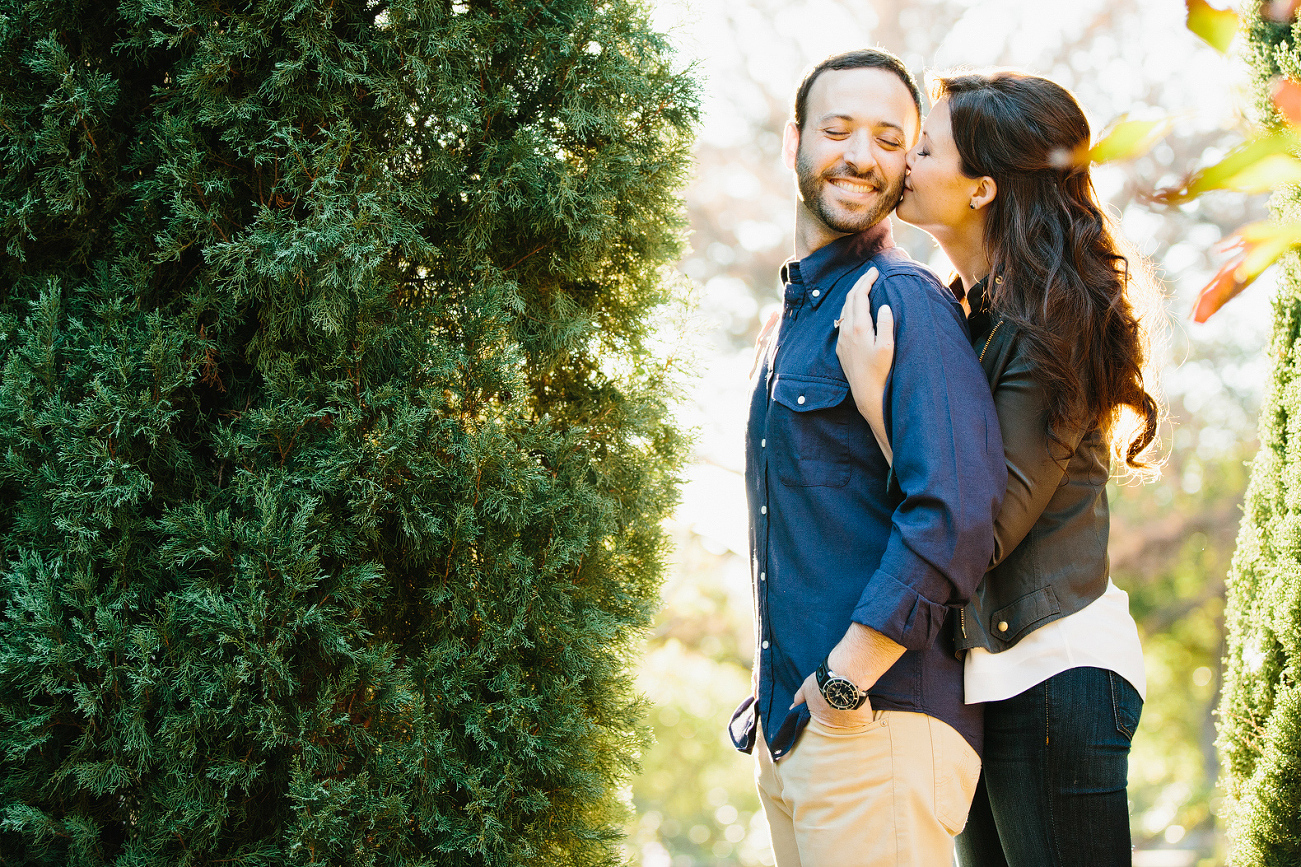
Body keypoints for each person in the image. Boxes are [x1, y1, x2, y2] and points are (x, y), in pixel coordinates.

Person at [835, 71, 1160, 867]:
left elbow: (983, 521)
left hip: (1054, 672)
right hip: (979, 683)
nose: (901, 161)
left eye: (923, 146)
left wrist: (879, 405)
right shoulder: (959, 311)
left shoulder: (1057, 316)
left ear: (980, 188)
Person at [729, 49, 1007, 867]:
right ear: (794, 142)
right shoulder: (791, 320)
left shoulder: (901, 298)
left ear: (908, 161)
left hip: (876, 726)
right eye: (838, 129)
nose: (860, 155)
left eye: (890, 139)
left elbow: (955, 508)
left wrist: (845, 681)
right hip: (794, 731)